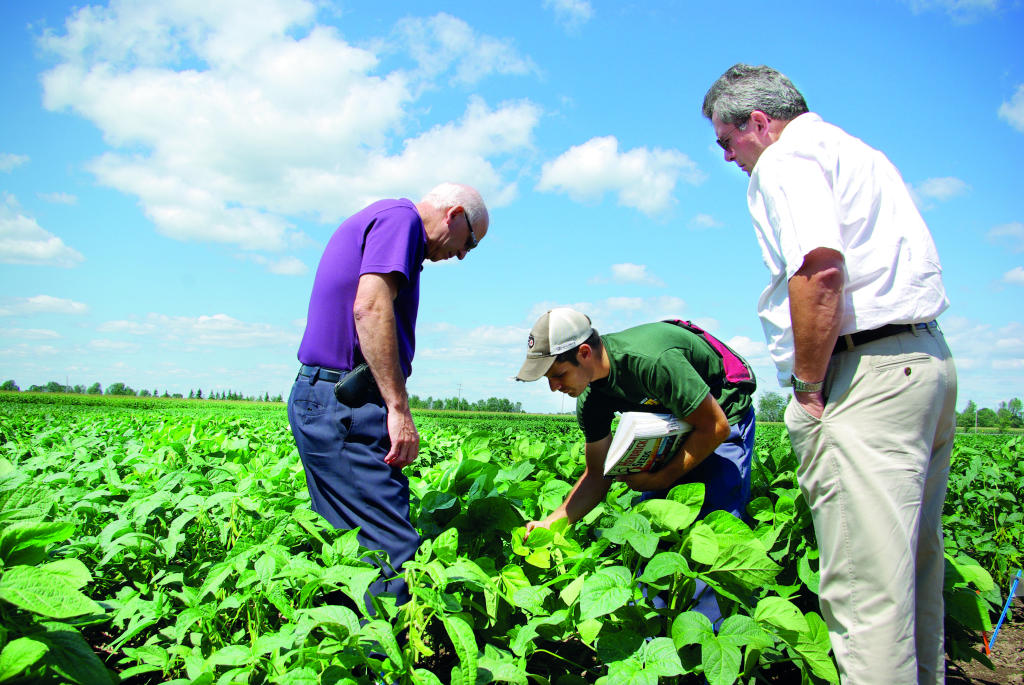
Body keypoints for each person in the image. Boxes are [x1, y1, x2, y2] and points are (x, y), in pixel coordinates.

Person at [702, 64, 957, 684]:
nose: (728, 157)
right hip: (925, 363)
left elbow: (818, 269)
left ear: (759, 123)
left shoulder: (786, 162)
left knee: (866, 592)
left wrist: (809, 387)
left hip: (863, 373)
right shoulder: (857, 152)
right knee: (914, 572)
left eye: (726, 142)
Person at [287, 182, 489, 608]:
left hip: (323, 399)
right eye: (469, 241)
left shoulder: (387, 220)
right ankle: (384, 664)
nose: (464, 255)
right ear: (453, 215)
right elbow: (370, 306)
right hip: (346, 405)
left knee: (348, 542)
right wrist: (398, 408)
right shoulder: (403, 220)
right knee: (392, 546)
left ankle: (345, 651)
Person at [517, 307, 757, 623]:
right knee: (656, 539)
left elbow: (715, 427)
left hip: (721, 414)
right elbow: (597, 476)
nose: (553, 387)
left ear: (585, 353)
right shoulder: (591, 399)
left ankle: (706, 642)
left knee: (714, 538)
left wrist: (663, 478)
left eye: (558, 375)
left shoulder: (652, 363)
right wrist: (554, 522)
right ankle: (657, 638)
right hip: (673, 423)